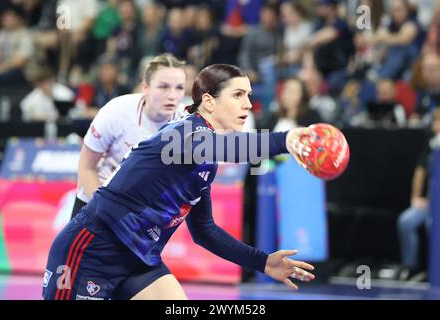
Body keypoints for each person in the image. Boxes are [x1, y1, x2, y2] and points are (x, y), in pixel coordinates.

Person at [43, 64, 315, 300]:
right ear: (209, 102)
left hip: (140, 259)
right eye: (238, 95)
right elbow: (232, 148)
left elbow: (204, 231)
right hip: (94, 249)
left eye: (249, 96)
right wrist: (285, 140)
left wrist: (263, 261)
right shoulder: (182, 133)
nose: (247, 104)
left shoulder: (207, 159)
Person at [70, 53, 186, 219]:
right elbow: (86, 167)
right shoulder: (116, 112)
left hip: (141, 208)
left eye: (179, 88)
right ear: (145, 88)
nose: (172, 95)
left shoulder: (187, 124)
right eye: (163, 87)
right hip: (95, 197)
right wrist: (109, 212)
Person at [397, 108, 440, 281]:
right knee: (406, 221)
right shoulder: (431, 144)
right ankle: (411, 266)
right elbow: (420, 172)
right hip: (431, 203)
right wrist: (416, 197)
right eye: (435, 121)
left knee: (433, 227)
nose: (437, 125)